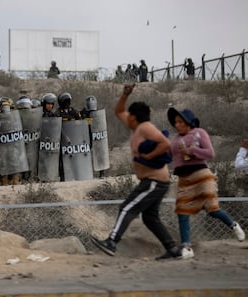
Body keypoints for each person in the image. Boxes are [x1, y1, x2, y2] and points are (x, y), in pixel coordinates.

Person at [90, 84, 182, 260]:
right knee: (150, 217)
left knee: (127, 208)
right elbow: (118, 111)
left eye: (129, 115)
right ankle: (172, 249)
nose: (126, 117)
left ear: (134, 117)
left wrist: (148, 156)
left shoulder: (145, 127)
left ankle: (112, 242)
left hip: (155, 181)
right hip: (153, 181)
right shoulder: (135, 127)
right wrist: (125, 94)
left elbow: (166, 144)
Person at [167, 107, 246, 259]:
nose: (177, 125)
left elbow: (210, 153)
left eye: (180, 122)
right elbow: (169, 155)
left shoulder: (199, 133)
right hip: (184, 179)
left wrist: (192, 151)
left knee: (212, 209)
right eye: (175, 122)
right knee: (182, 211)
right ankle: (187, 247)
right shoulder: (175, 140)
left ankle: (233, 225)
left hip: (202, 175)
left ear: (188, 122)